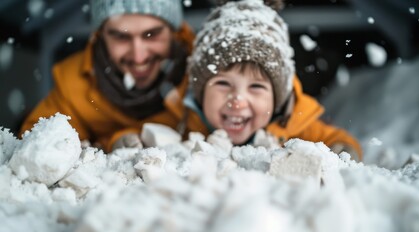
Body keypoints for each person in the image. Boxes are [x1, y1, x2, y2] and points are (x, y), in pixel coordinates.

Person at [179, 0, 362, 160]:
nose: (237, 100)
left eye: (256, 86)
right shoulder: (182, 120)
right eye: (223, 83)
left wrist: (339, 151)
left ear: (277, 99)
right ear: (200, 91)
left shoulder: (295, 126)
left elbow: (339, 140)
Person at [19, 0, 194, 152]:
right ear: (101, 35)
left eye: (151, 35)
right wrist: (108, 145)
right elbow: (35, 145)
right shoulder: (73, 81)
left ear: (174, 31)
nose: (138, 56)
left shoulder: (207, 71)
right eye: (121, 37)